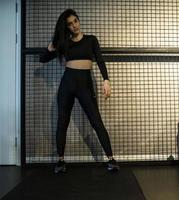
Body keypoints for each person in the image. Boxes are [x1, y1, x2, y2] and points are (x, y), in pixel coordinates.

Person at [39, 8, 119, 173]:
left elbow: (100, 60)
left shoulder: (91, 40)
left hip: (84, 85)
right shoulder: (64, 43)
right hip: (67, 84)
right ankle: (60, 161)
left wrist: (106, 80)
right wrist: (53, 44)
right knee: (62, 122)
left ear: (79, 21)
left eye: (75, 21)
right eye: (70, 24)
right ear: (66, 27)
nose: (74, 25)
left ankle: (111, 159)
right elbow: (43, 58)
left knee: (96, 122)